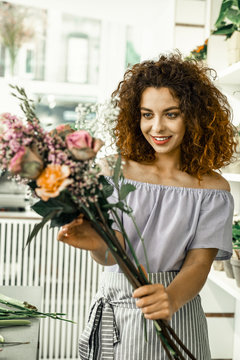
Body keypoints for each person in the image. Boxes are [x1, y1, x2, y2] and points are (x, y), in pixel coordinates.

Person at [57, 52, 236, 360]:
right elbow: (110, 256)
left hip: (179, 314)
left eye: (171, 113)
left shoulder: (212, 189)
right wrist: (96, 244)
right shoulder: (112, 171)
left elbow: (198, 265)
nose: (157, 127)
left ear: (194, 116)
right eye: (147, 114)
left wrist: (169, 298)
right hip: (117, 318)